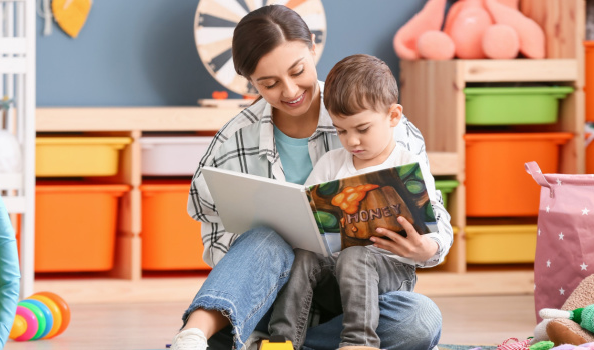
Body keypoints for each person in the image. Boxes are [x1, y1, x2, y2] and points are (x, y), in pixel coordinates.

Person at [172, 5, 453, 350]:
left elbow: (434, 216)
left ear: (313, 50)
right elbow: (214, 234)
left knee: (419, 320)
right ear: (251, 82)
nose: (290, 91)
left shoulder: (387, 125)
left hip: (359, 303)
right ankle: (195, 335)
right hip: (274, 295)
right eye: (269, 83)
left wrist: (426, 249)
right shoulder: (234, 140)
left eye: (298, 71)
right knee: (265, 238)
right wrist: (268, 255)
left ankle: (258, 342)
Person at [267, 54, 449, 350]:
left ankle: (359, 342)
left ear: (393, 116)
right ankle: (281, 342)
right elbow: (306, 215)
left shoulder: (408, 165)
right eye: (341, 130)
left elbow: (436, 225)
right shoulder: (331, 164)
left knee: (359, 258)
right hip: (335, 281)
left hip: (390, 276)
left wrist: (427, 247)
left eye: (362, 129)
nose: (351, 141)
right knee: (304, 255)